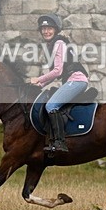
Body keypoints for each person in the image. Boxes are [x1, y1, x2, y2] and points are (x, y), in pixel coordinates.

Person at [29, 14, 89, 155]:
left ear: (55, 30)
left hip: (77, 80)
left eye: (49, 28)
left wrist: (38, 78)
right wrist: (40, 85)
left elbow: (57, 71)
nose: (46, 31)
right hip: (72, 80)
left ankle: (59, 142)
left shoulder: (59, 43)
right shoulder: (53, 45)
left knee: (51, 105)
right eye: (43, 29)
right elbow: (54, 73)